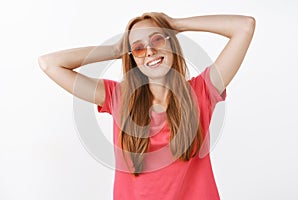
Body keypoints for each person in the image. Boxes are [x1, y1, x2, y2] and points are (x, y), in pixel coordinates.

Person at [38, 12, 255, 200]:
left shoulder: (201, 92)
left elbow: (244, 26)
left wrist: (176, 24)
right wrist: (115, 49)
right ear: (132, 57)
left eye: (157, 39)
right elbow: (50, 64)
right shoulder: (119, 97)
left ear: (172, 44)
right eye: (139, 48)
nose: (150, 51)